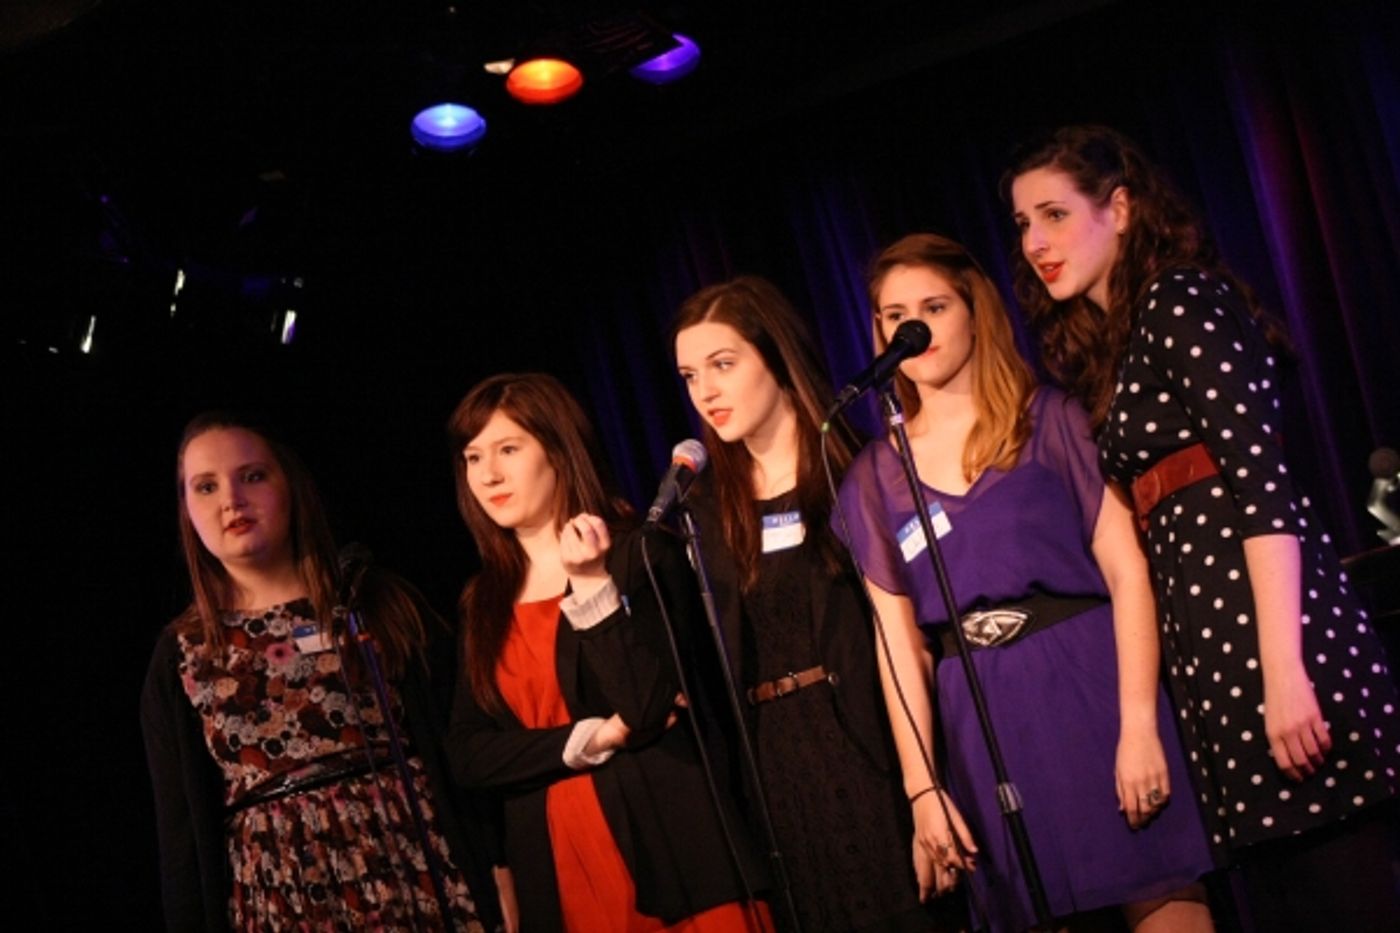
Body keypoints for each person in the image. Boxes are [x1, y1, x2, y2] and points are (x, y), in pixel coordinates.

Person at [1007, 124, 1400, 931]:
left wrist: (1283, 668)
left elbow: (1261, 483)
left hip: (1273, 637)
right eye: (1021, 223)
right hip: (1214, 653)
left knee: (1343, 884)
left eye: (1052, 214)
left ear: (1118, 208)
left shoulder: (1180, 297)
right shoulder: (1115, 341)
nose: (1035, 242)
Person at [836, 233, 1216, 932]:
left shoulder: (1051, 422)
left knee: (1161, 897)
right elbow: (899, 651)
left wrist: (1138, 723)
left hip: (1088, 689)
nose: (910, 327)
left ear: (974, 311)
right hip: (983, 717)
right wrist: (923, 790)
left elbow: (1129, 574)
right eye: (893, 314)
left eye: (933, 306)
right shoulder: (874, 478)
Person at [672, 276, 954, 933]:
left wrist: (923, 784)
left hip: (868, 747)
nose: (705, 392)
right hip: (779, 771)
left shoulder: (857, 468)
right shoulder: (705, 509)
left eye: (722, 364)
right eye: (689, 375)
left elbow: (911, 634)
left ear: (774, 354)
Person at [141, 412, 496, 931]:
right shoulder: (181, 654)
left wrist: (497, 869)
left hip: (416, 868)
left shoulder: (372, 600)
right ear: (186, 511)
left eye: (252, 476)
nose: (231, 500)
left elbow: (460, 747)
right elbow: (179, 835)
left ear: (290, 485)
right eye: (206, 486)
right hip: (282, 897)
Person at [443, 372, 770, 933]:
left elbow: (645, 708)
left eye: (508, 449)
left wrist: (591, 585)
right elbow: (469, 755)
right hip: (556, 864)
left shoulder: (637, 554)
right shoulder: (483, 601)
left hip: (668, 848)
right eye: (474, 457)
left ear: (558, 451)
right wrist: (588, 740)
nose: (488, 474)